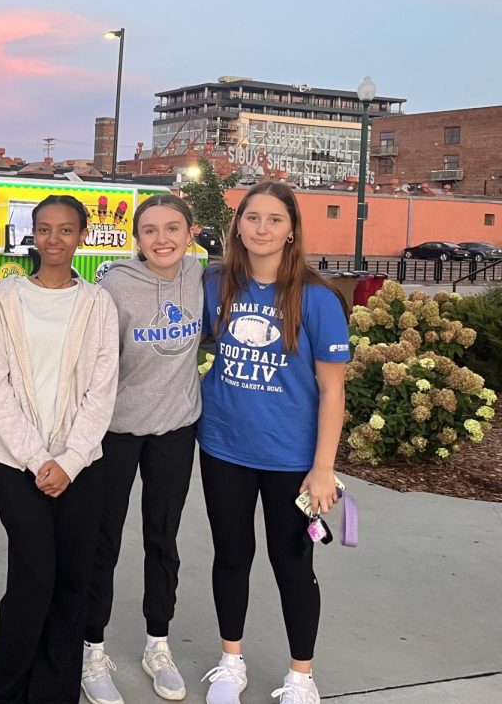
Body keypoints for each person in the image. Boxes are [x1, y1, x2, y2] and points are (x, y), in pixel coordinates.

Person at [198, 181, 349, 704]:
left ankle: (301, 676)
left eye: (274, 220)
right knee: (231, 555)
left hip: (291, 459)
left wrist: (323, 467)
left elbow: (332, 390)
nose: (261, 228)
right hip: (223, 447)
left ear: (291, 231)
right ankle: (230, 662)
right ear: (237, 226)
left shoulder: (317, 298)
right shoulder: (215, 285)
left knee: (293, 565)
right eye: (252, 217)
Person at [0, 194, 120, 704]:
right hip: (17, 467)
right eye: (44, 229)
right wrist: (40, 461)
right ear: (31, 235)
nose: (54, 239)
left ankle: (55, 692)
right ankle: (5, 691)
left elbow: (103, 388)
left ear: (81, 236)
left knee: (71, 584)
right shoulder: (4, 298)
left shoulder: (98, 304)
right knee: (32, 581)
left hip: (82, 467)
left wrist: (70, 460)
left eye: (65, 230)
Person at [81, 196, 203, 704]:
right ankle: (91, 649)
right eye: (150, 230)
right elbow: (94, 362)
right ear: (137, 238)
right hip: (118, 430)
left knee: (163, 538)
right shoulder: (114, 287)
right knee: (103, 541)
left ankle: (158, 643)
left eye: (172, 228)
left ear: (190, 232)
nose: (162, 239)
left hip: (175, 429)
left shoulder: (200, 277)